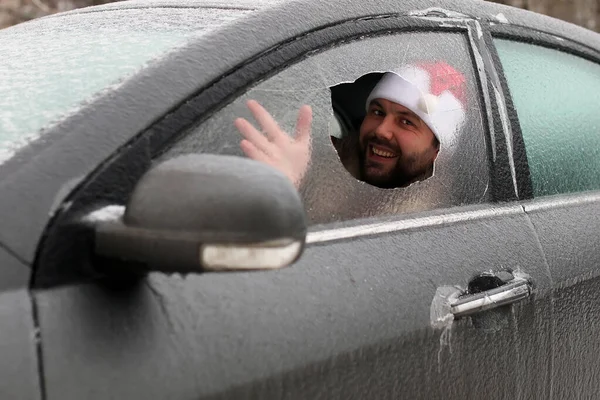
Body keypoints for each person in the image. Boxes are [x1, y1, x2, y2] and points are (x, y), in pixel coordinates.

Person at [234, 61, 466, 189]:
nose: (381, 130)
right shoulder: (322, 161)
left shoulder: (436, 222)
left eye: (406, 122)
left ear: (438, 151)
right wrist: (299, 179)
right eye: (377, 112)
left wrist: (291, 194)